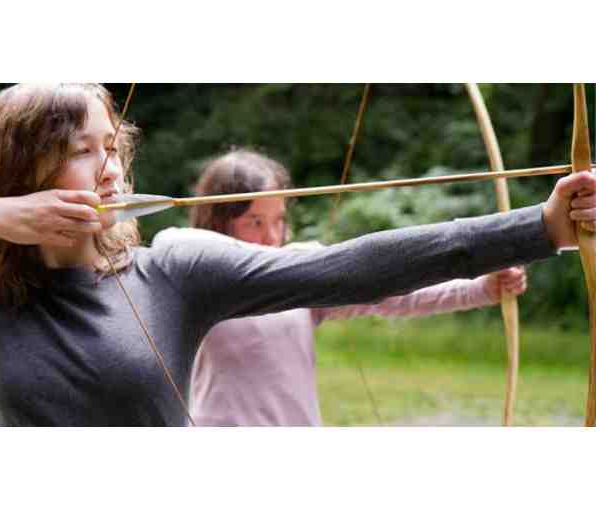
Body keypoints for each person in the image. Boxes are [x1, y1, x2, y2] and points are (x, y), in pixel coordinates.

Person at [0, 83, 593, 427]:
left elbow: (349, 269)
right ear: (21, 169)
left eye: (112, 147)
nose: (112, 171)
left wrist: (541, 227)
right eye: (82, 150)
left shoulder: (174, 269)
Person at [153, 149, 528, 426]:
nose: (271, 235)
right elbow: (170, 241)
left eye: (278, 220)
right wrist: (299, 259)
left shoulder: (299, 277)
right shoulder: (197, 281)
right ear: (219, 220)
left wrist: (482, 287)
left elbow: (393, 293)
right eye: (255, 221)